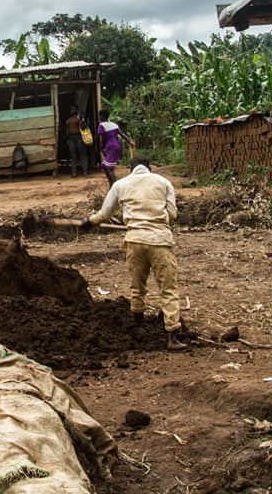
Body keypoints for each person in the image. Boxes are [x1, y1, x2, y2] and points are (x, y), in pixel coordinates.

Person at [83, 155, 186, 351]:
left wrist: (90, 222)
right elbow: (172, 214)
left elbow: (105, 214)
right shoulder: (163, 183)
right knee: (168, 289)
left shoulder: (121, 185)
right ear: (149, 168)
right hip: (160, 240)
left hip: (134, 240)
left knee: (138, 286)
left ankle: (139, 329)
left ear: (130, 169)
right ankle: (172, 336)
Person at [97, 109, 136, 188]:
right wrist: (129, 142)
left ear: (102, 116)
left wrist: (101, 148)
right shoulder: (114, 124)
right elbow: (121, 134)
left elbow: (103, 138)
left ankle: (114, 186)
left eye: (99, 116)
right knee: (107, 167)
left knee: (107, 167)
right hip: (117, 146)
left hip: (110, 146)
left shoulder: (102, 126)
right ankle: (113, 185)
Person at [64, 105, 88, 177]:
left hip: (79, 137)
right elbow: (67, 131)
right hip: (71, 138)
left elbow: (84, 127)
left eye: (73, 109)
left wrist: (81, 121)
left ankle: (85, 171)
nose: (71, 110)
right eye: (71, 109)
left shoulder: (79, 118)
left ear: (76, 110)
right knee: (74, 156)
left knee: (82, 155)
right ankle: (74, 173)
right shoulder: (68, 120)